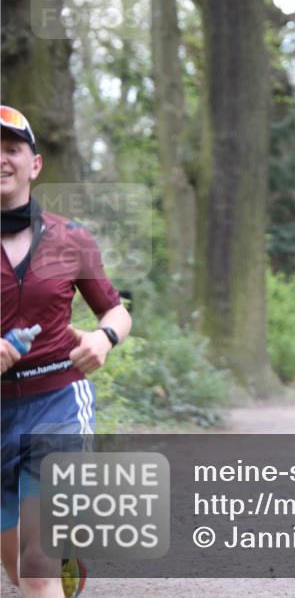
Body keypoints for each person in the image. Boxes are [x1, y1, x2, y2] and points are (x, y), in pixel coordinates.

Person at [1, 105, 132, 598]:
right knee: (18, 570)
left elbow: (116, 311)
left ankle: (51, 555)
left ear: (34, 164)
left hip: (57, 401)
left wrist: (104, 339)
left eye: (12, 149)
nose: (2, 160)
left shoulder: (71, 238)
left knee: (36, 568)